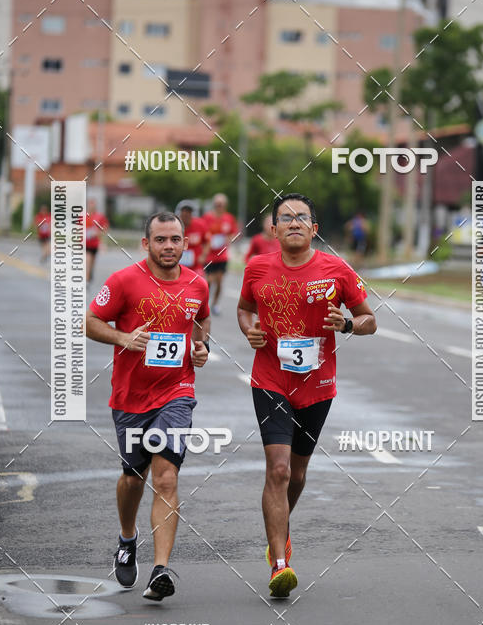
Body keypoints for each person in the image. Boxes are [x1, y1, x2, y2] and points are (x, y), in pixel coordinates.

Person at [237, 193, 377, 598]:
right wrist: (250, 331)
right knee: (278, 470)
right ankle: (280, 565)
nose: (294, 223)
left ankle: (278, 532)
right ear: (274, 229)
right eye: (286, 217)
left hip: (317, 385)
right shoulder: (257, 268)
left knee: (296, 474)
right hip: (270, 380)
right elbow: (244, 309)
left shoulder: (337, 270)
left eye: (302, 218)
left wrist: (347, 324)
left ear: (314, 229)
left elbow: (371, 319)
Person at [86, 211, 210, 601]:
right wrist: (123, 338)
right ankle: (127, 537)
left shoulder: (197, 284)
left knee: (166, 476)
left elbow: (201, 321)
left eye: (175, 239)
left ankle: (160, 570)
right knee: (132, 478)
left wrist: (202, 348)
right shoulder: (124, 281)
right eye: (160, 240)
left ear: (185, 243)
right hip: (130, 398)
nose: (168, 246)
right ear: (146, 244)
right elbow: (89, 322)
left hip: (177, 392)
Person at [203, 193, 239, 315]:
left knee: (219, 281)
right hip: (209, 255)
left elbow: (234, 233)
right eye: (217, 204)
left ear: (225, 205)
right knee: (208, 281)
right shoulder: (207, 218)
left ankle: (215, 303)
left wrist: (229, 239)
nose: (219, 206)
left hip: (222, 255)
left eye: (221, 204)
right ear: (214, 205)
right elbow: (202, 232)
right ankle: (204, 303)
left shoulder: (228, 218)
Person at [175, 199, 210, 277]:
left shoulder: (200, 225)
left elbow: (208, 241)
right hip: (177, 265)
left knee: (199, 283)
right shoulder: (174, 225)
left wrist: (203, 256)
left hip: (196, 265)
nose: (186, 214)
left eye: (189, 212)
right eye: (184, 211)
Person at [85, 198, 109, 284]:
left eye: (93, 205)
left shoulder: (99, 216)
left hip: (94, 243)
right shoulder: (83, 216)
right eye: (90, 205)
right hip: (85, 243)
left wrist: (98, 233)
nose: (92, 207)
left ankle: (89, 274)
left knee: (92, 262)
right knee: (87, 260)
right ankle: (87, 279)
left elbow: (105, 227)